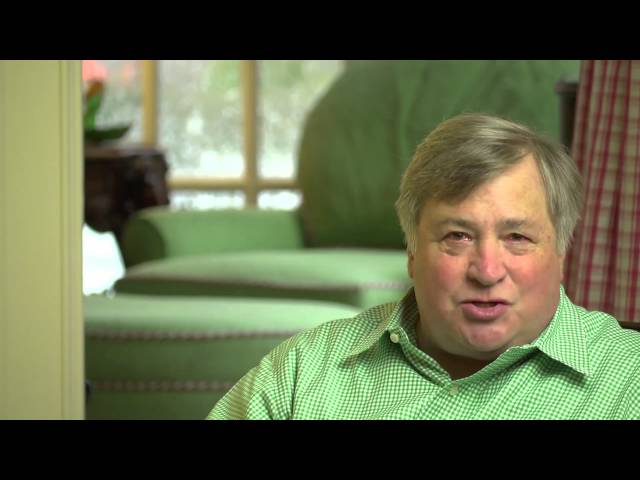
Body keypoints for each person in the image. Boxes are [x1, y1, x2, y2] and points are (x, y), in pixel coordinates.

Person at [207, 113, 640, 420]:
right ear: (412, 252)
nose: (487, 271)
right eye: (458, 236)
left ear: (561, 253)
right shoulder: (305, 369)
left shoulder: (628, 380)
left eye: (517, 238)